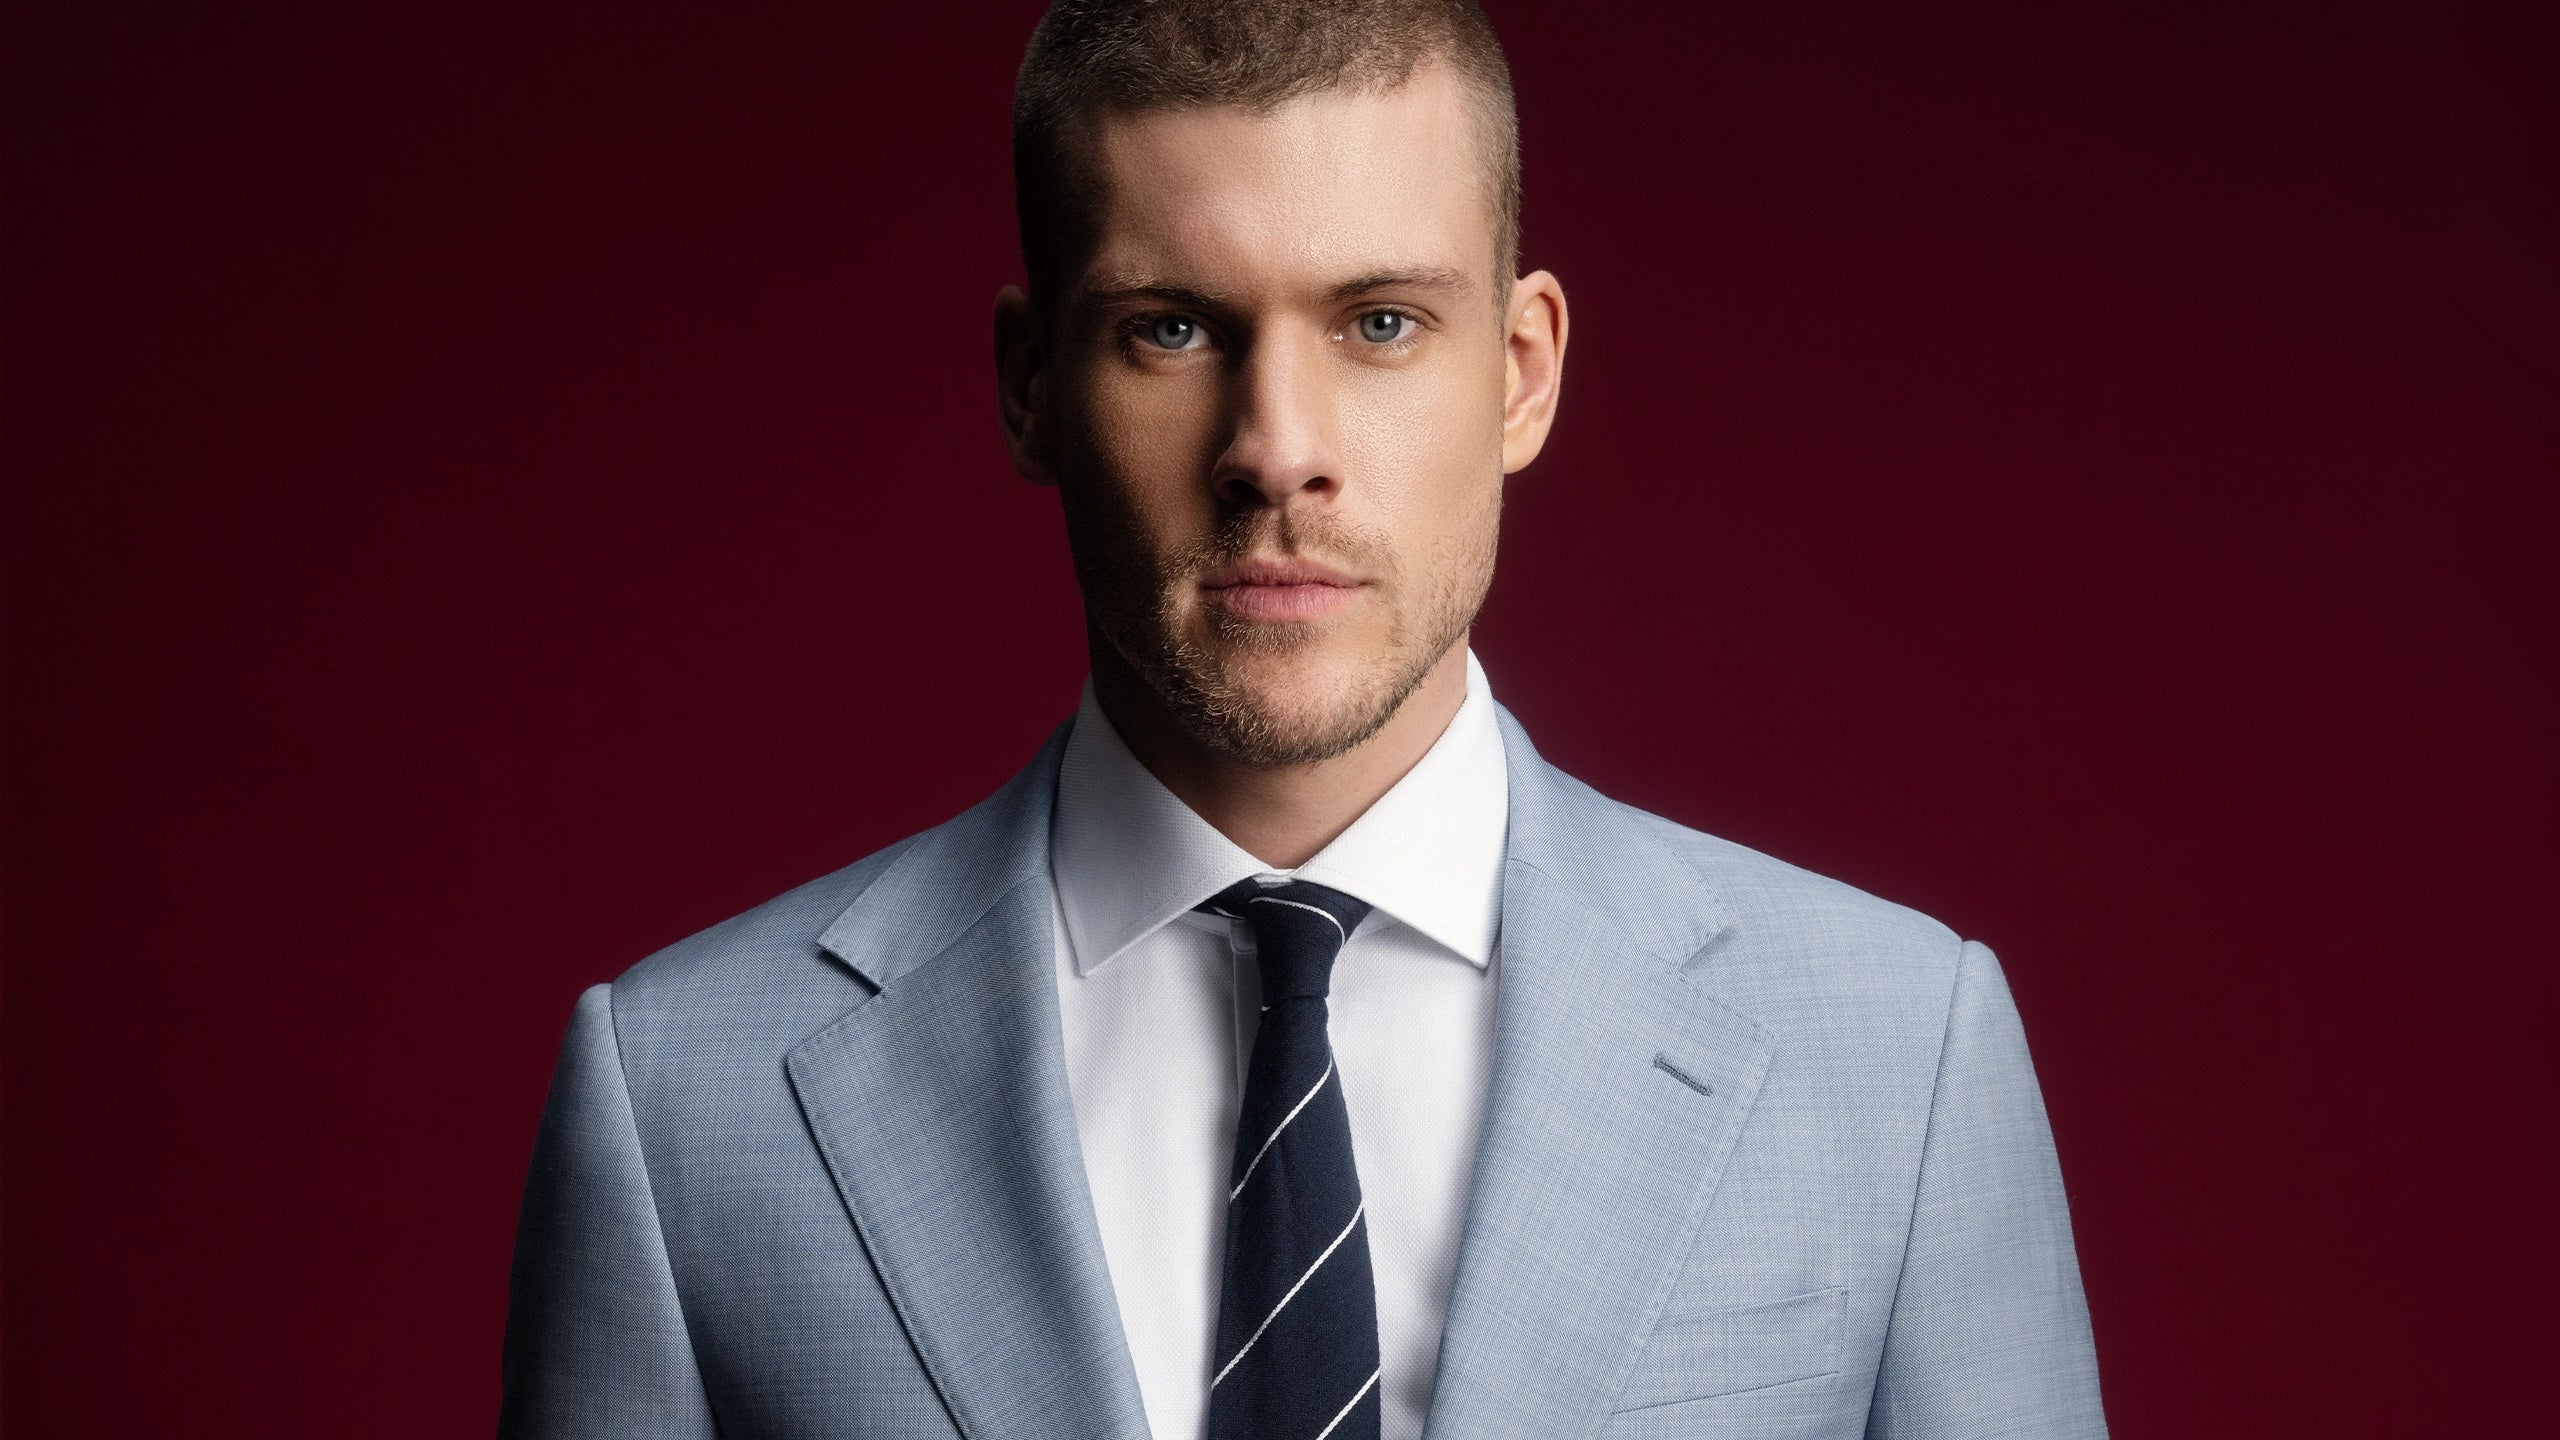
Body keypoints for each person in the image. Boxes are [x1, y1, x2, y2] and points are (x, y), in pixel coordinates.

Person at [498, 2, 2107, 1436]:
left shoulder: (1900, 1062)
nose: (1277, 448)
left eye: (1381, 323)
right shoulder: (681, 1102)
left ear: (1523, 371)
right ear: (1030, 386)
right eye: (1173, 329)